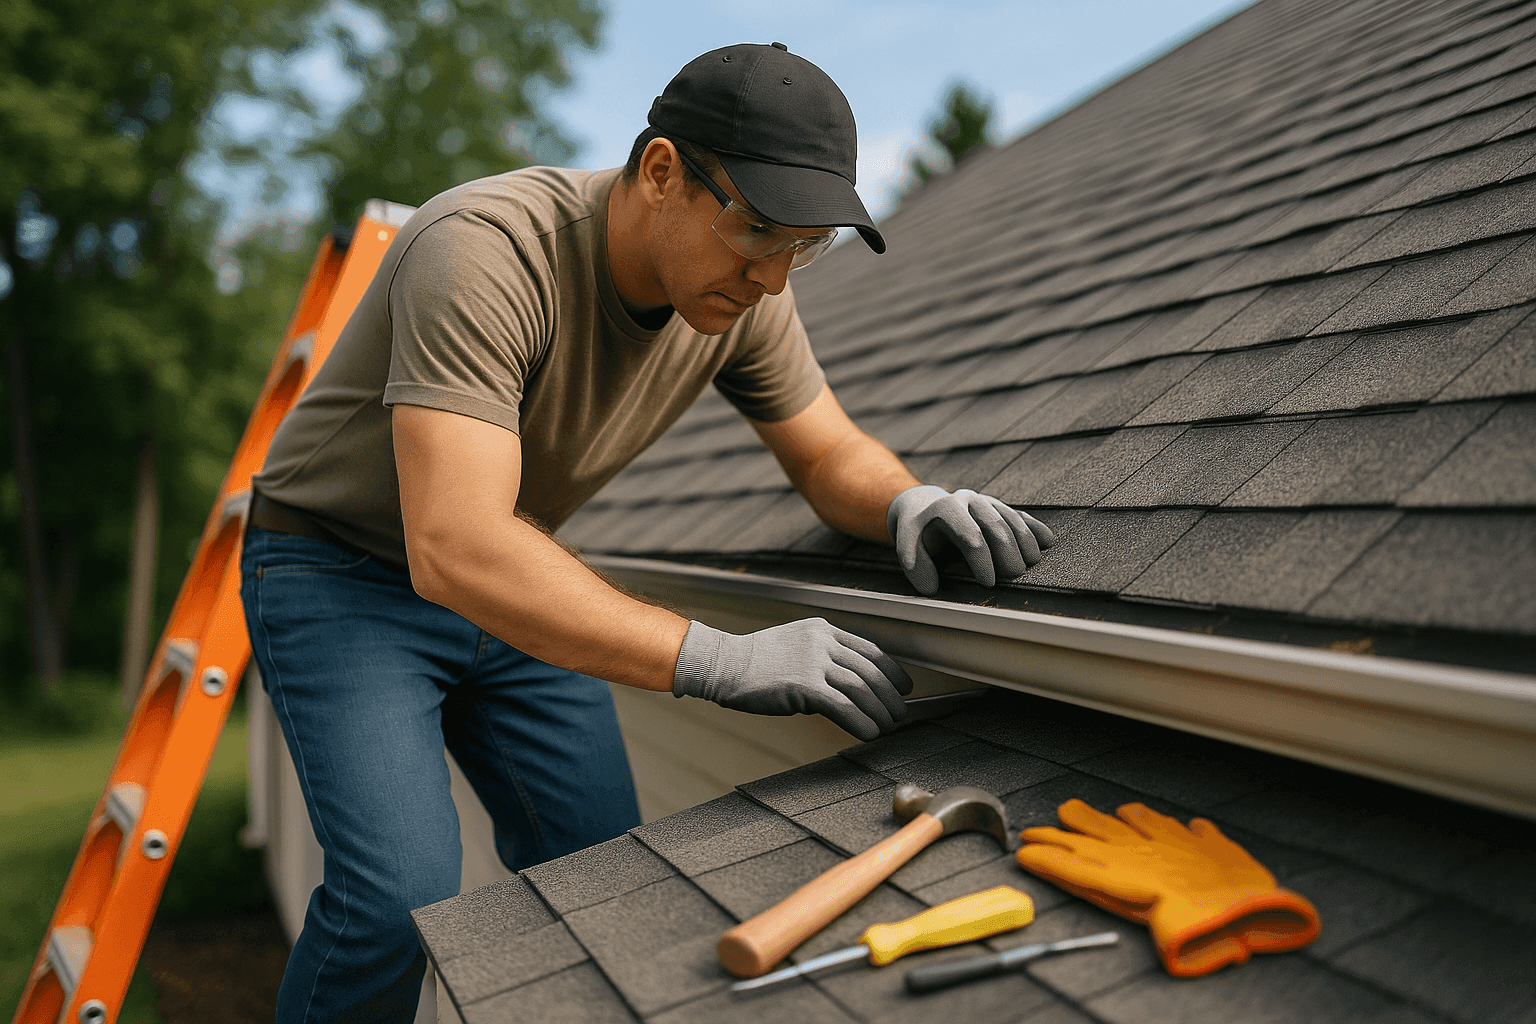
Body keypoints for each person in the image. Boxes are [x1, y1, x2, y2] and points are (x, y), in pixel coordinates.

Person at [240, 41, 1054, 1022]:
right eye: (757, 229)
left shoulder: (747, 292)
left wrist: (904, 501)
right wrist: (722, 659)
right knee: (396, 895)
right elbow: (453, 545)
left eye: (807, 244)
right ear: (662, 170)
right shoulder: (482, 250)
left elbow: (828, 452)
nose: (772, 275)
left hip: (514, 562)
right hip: (340, 573)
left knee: (604, 875)